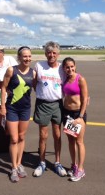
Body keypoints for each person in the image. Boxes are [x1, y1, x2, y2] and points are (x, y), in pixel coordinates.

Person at [0, 46, 36, 183]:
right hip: (12, 108)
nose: (27, 59)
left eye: (29, 56)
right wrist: (2, 106)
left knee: (21, 136)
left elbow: (38, 88)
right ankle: (13, 168)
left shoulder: (33, 73)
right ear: (19, 57)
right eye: (24, 56)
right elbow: (3, 88)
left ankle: (19, 163)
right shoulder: (11, 70)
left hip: (25, 109)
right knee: (14, 139)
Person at [32, 41, 67, 177]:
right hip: (43, 104)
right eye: (49, 52)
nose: (51, 55)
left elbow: (71, 83)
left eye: (54, 53)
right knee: (43, 136)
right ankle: (41, 162)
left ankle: (57, 162)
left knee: (57, 135)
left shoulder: (62, 68)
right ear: (45, 53)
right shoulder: (39, 66)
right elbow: (34, 84)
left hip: (58, 104)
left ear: (58, 54)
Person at [62, 57, 88, 182]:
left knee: (79, 142)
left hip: (78, 114)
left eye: (72, 66)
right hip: (67, 113)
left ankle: (81, 169)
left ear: (75, 66)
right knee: (71, 141)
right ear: (64, 68)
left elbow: (84, 100)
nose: (70, 69)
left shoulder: (80, 79)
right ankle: (74, 165)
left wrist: (80, 117)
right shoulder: (65, 79)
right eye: (67, 67)